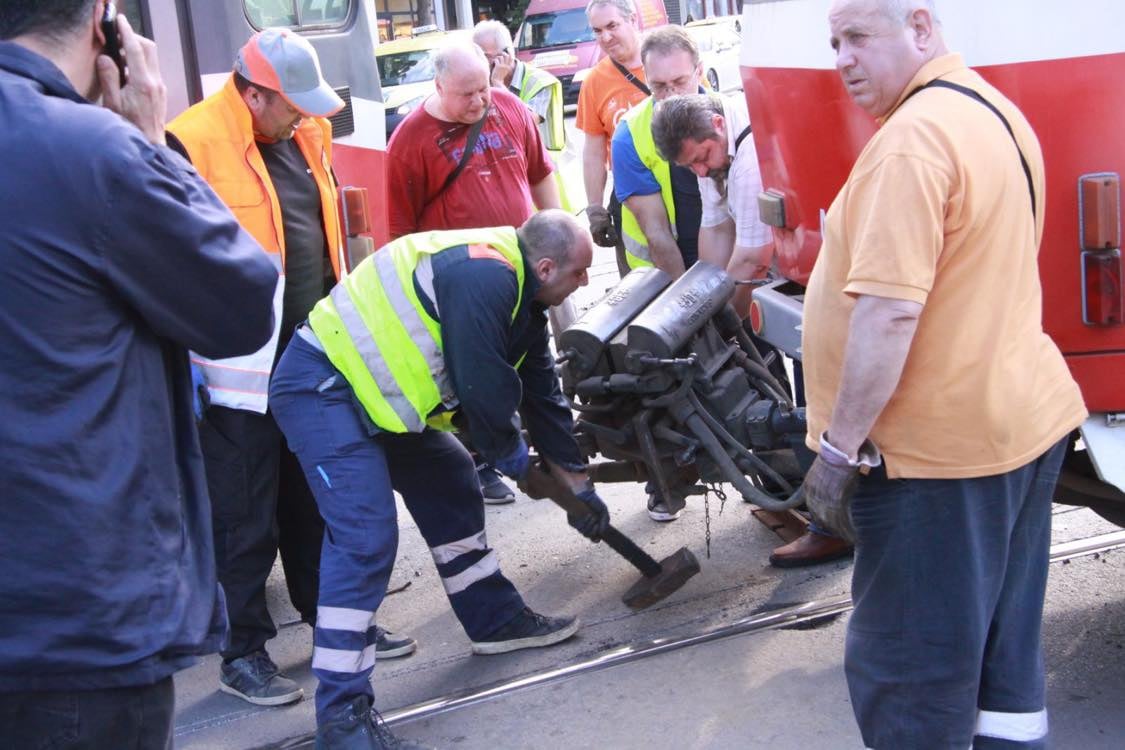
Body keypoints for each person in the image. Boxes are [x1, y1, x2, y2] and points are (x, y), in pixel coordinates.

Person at [802, 1, 1087, 746]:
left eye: (859, 37)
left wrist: (836, 452)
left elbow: (888, 314)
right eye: (834, 42)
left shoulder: (911, 142)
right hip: (1015, 421)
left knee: (910, 676)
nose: (842, 59)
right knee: (1003, 659)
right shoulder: (988, 108)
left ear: (921, 29)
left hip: (935, 457)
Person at [0, 2, 279, 747]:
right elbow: (240, 307)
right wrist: (149, 139)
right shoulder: (89, 150)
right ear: (105, 23)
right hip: (72, 625)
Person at [269, 210, 606, 749]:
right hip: (322, 387)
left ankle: (494, 620)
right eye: (581, 272)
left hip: (370, 396)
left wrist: (577, 482)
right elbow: (480, 385)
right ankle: (342, 718)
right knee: (365, 539)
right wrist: (517, 462)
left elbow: (540, 391)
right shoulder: (485, 276)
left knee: (450, 475)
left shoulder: (521, 297)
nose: (585, 281)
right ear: (546, 267)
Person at [168, 28, 415, 709]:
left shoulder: (307, 136)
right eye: (290, 105)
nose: (305, 116)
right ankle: (241, 652)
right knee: (243, 519)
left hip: (310, 359)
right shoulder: (189, 142)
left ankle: (327, 621)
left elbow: (324, 234)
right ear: (252, 93)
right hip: (234, 371)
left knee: (315, 502)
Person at [651, 93, 852, 567]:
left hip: (817, 270)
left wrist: (720, 326)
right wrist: (693, 299)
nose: (700, 172)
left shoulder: (747, 160)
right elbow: (715, 231)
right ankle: (807, 493)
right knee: (801, 385)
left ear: (718, 126)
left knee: (814, 392)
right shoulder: (713, 158)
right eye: (692, 167)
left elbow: (751, 255)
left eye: (702, 159)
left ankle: (835, 518)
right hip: (798, 267)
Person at [387, 39, 561, 504]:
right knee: (472, 376)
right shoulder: (410, 140)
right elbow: (401, 232)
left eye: (483, 88)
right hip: (461, 289)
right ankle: (484, 462)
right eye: (466, 94)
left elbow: (541, 174)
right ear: (438, 85)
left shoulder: (509, 107)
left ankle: (557, 455)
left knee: (534, 364)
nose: (479, 101)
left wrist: (562, 237)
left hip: (523, 275)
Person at [605, 25, 706, 521]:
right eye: (659, 86)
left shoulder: (726, 116)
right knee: (663, 383)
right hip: (663, 280)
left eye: (679, 83)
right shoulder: (630, 134)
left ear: (700, 74)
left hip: (723, 264)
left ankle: (781, 468)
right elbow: (657, 233)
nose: (668, 96)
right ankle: (667, 485)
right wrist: (692, 305)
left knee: (752, 360)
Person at [576, 0, 651, 274]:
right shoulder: (595, 81)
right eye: (597, 31)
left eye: (612, 26)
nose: (605, 37)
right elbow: (594, 152)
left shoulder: (665, 59)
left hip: (681, 188)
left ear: (633, 21)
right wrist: (595, 209)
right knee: (638, 281)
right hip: (629, 197)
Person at [472, 19, 572, 212]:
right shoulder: (481, 86)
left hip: (545, 187)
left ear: (506, 55)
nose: (478, 63)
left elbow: (525, 121)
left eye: (483, 56)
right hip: (508, 186)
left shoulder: (541, 82)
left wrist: (499, 86)